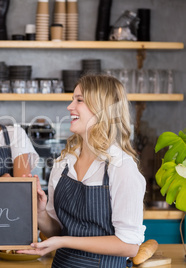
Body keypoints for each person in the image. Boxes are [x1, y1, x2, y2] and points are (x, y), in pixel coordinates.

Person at [18, 74, 146, 267]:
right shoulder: (63, 164)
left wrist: (64, 241)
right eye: (72, 100)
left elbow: (129, 246)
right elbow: (57, 231)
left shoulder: (120, 167)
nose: (70, 107)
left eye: (79, 100)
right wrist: (41, 212)